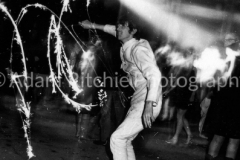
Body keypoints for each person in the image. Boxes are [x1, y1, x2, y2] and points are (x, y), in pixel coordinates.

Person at [79, 18, 162, 160]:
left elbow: (154, 74)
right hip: (139, 98)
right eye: (118, 26)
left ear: (133, 31)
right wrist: (92, 25)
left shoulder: (138, 49)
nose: (118, 28)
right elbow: (112, 29)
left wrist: (149, 103)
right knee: (125, 141)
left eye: (122, 26)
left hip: (148, 99)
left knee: (117, 139)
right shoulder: (128, 44)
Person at [205, 33, 240, 160]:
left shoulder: (227, 61)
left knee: (218, 138)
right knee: (233, 141)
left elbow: (216, 83)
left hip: (224, 104)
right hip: (233, 106)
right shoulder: (228, 61)